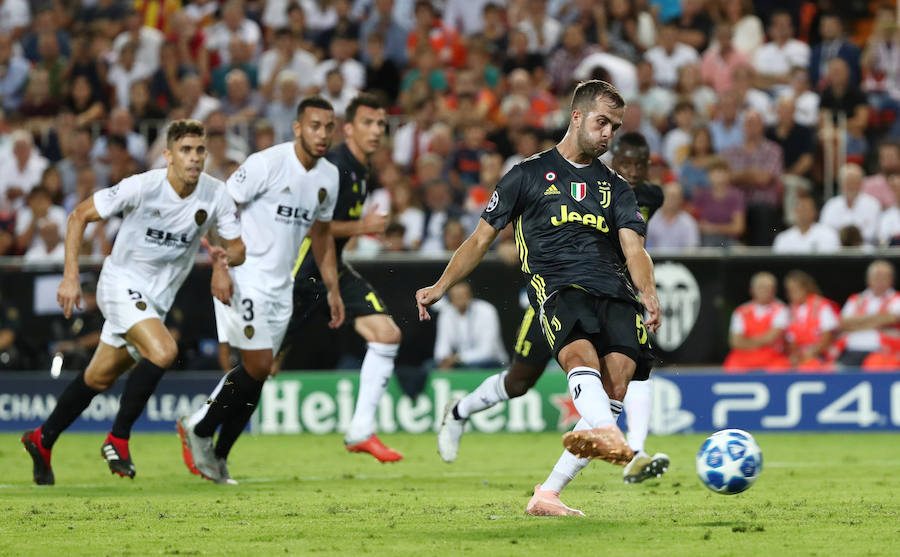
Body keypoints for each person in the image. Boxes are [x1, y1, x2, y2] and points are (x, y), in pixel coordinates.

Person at [416, 80, 662, 517]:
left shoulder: (617, 188)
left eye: (615, 127)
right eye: (602, 123)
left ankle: (547, 494)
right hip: (557, 288)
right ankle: (611, 438)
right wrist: (440, 286)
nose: (609, 134)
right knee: (550, 369)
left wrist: (648, 292)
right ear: (577, 117)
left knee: (619, 380)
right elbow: (479, 240)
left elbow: (633, 249)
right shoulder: (527, 174)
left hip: (614, 292)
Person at [21, 120, 245, 485]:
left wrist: (223, 263)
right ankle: (118, 438)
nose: (194, 158)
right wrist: (71, 276)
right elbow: (79, 215)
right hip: (120, 284)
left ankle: (42, 439)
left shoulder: (215, 194)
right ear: (168, 155)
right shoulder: (143, 186)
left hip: (154, 301)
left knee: (98, 376)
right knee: (163, 350)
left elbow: (238, 248)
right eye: (186, 151)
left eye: (199, 150)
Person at [178, 97, 344, 484]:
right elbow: (221, 205)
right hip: (245, 277)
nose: (322, 134)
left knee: (260, 373)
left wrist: (333, 289)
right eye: (315, 126)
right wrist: (221, 267)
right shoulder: (267, 163)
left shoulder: (329, 177)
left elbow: (321, 235)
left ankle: (218, 455)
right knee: (256, 365)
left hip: (280, 287)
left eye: (328, 127)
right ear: (298, 128)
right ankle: (199, 425)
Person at [275, 93, 404, 463]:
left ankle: (361, 430)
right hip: (304, 272)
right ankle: (201, 419)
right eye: (368, 123)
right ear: (348, 128)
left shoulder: (359, 169)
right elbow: (315, 226)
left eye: (381, 124)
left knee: (387, 333)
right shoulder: (332, 166)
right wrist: (363, 226)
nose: (377, 131)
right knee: (263, 366)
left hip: (333, 266)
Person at [834, 260, 900, 368]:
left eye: (884, 277)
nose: (880, 281)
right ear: (869, 279)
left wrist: (857, 322)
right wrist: (879, 320)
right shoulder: (856, 299)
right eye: (877, 277)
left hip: (884, 351)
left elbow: (892, 318)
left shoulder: (897, 298)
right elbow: (843, 323)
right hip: (851, 350)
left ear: (891, 280)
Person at [723, 272, 791, 371]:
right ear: (752, 290)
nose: (764, 291)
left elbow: (770, 338)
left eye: (768, 288)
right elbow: (735, 341)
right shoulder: (741, 311)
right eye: (761, 287)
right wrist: (759, 342)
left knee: (780, 369)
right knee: (732, 367)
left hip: (772, 356)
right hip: (744, 355)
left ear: (774, 291)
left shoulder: (781, 309)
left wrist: (747, 341)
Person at [783, 270, 840, 370]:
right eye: (789, 290)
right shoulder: (790, 310)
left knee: (808, 366)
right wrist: (796, 356)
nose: (792, 294)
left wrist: (809, 356)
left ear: (805, 288)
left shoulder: (821, 305)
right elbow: (790, 340)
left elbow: (827, 337)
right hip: (800, 355)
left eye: (795, 289)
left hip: (821, 354)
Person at [772, 194, 840, 254]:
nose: (803, 212)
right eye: (800, 208)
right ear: (796, 211)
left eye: (806, 209)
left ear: (814, 212)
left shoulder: (828, 234)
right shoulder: (782, 238)